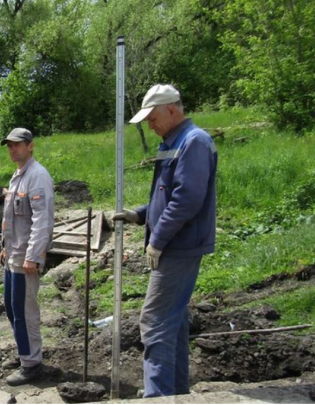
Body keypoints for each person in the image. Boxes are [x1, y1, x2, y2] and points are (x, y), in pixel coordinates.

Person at [113, 84, 217, 398]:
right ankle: (177, 394)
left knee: (155, 319)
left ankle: (157, 397)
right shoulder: (173, 141)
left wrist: (156, 240)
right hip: (177, 243)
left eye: (152, 117)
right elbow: (167, 194)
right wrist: (140, 214)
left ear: (171, 109)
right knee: (174, 322)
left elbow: (187, 199)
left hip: (179, 247)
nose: (150, 124)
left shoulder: (193, 142)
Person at [0, 127, 54, 386]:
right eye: (9, 145)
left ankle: (32, 365)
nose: (13, 149)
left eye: (17, 145)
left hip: (25, 260)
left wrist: (33, 256)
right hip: (13, 256)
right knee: (12, 310)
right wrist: (4, 246)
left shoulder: (37, 176)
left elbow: (42, 221)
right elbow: (11, 218)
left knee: (24, 312)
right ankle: (25, 353)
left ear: (31, 146)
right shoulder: (17, 177)